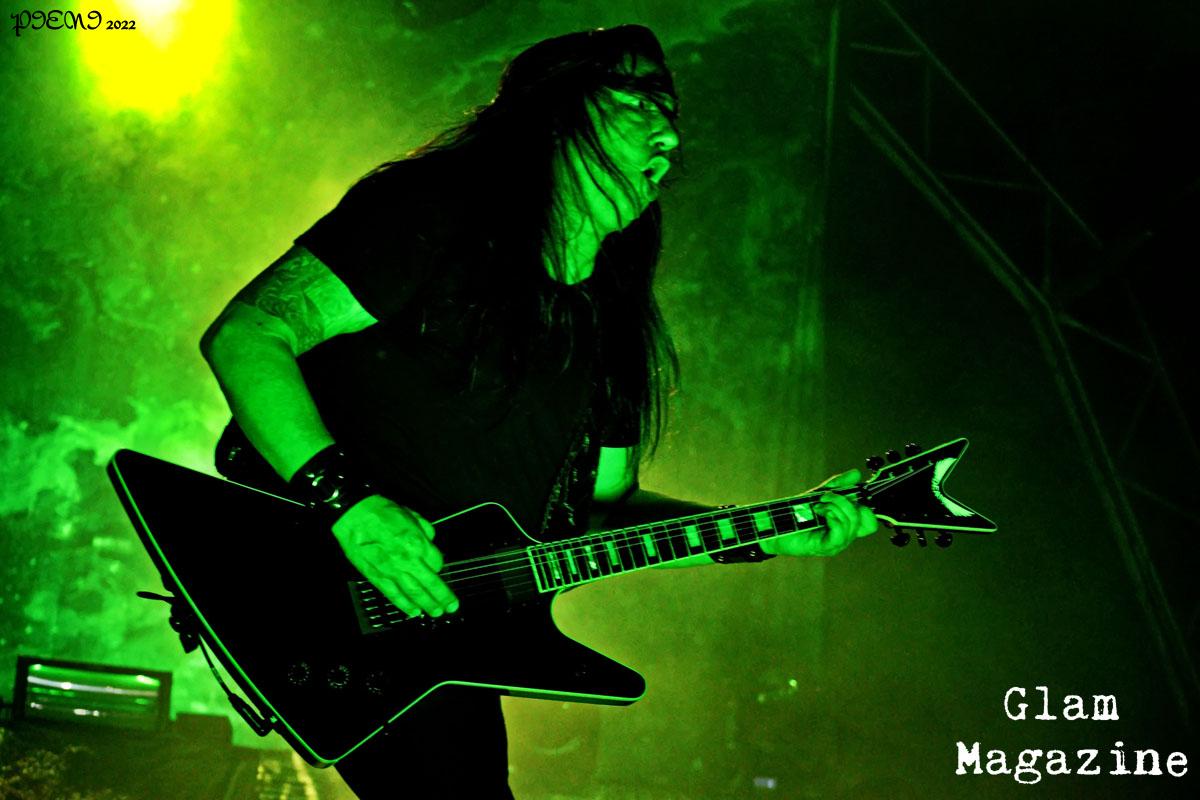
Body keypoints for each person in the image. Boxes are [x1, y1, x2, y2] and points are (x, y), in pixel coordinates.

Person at [199, 24, 876, 799]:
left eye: (673, 112)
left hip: (439, 636)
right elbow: (249, 336)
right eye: (643, 102)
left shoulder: (613, 323)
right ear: (556, 111)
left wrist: (771, 532)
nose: (669, 135)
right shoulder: (437, 207)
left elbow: (604, 508)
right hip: (314, 576)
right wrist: (350, 507)